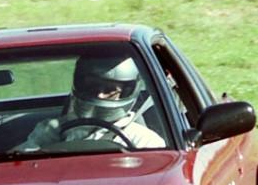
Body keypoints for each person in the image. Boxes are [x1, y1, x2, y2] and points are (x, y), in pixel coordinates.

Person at [19, 54, 165, 150]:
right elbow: (18, 170)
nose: (100, 95)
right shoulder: (51, 130)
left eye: (109, 90)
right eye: (91, 87)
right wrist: (41, 147)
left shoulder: (144, 141)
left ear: (127, 92)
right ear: (80, 86)